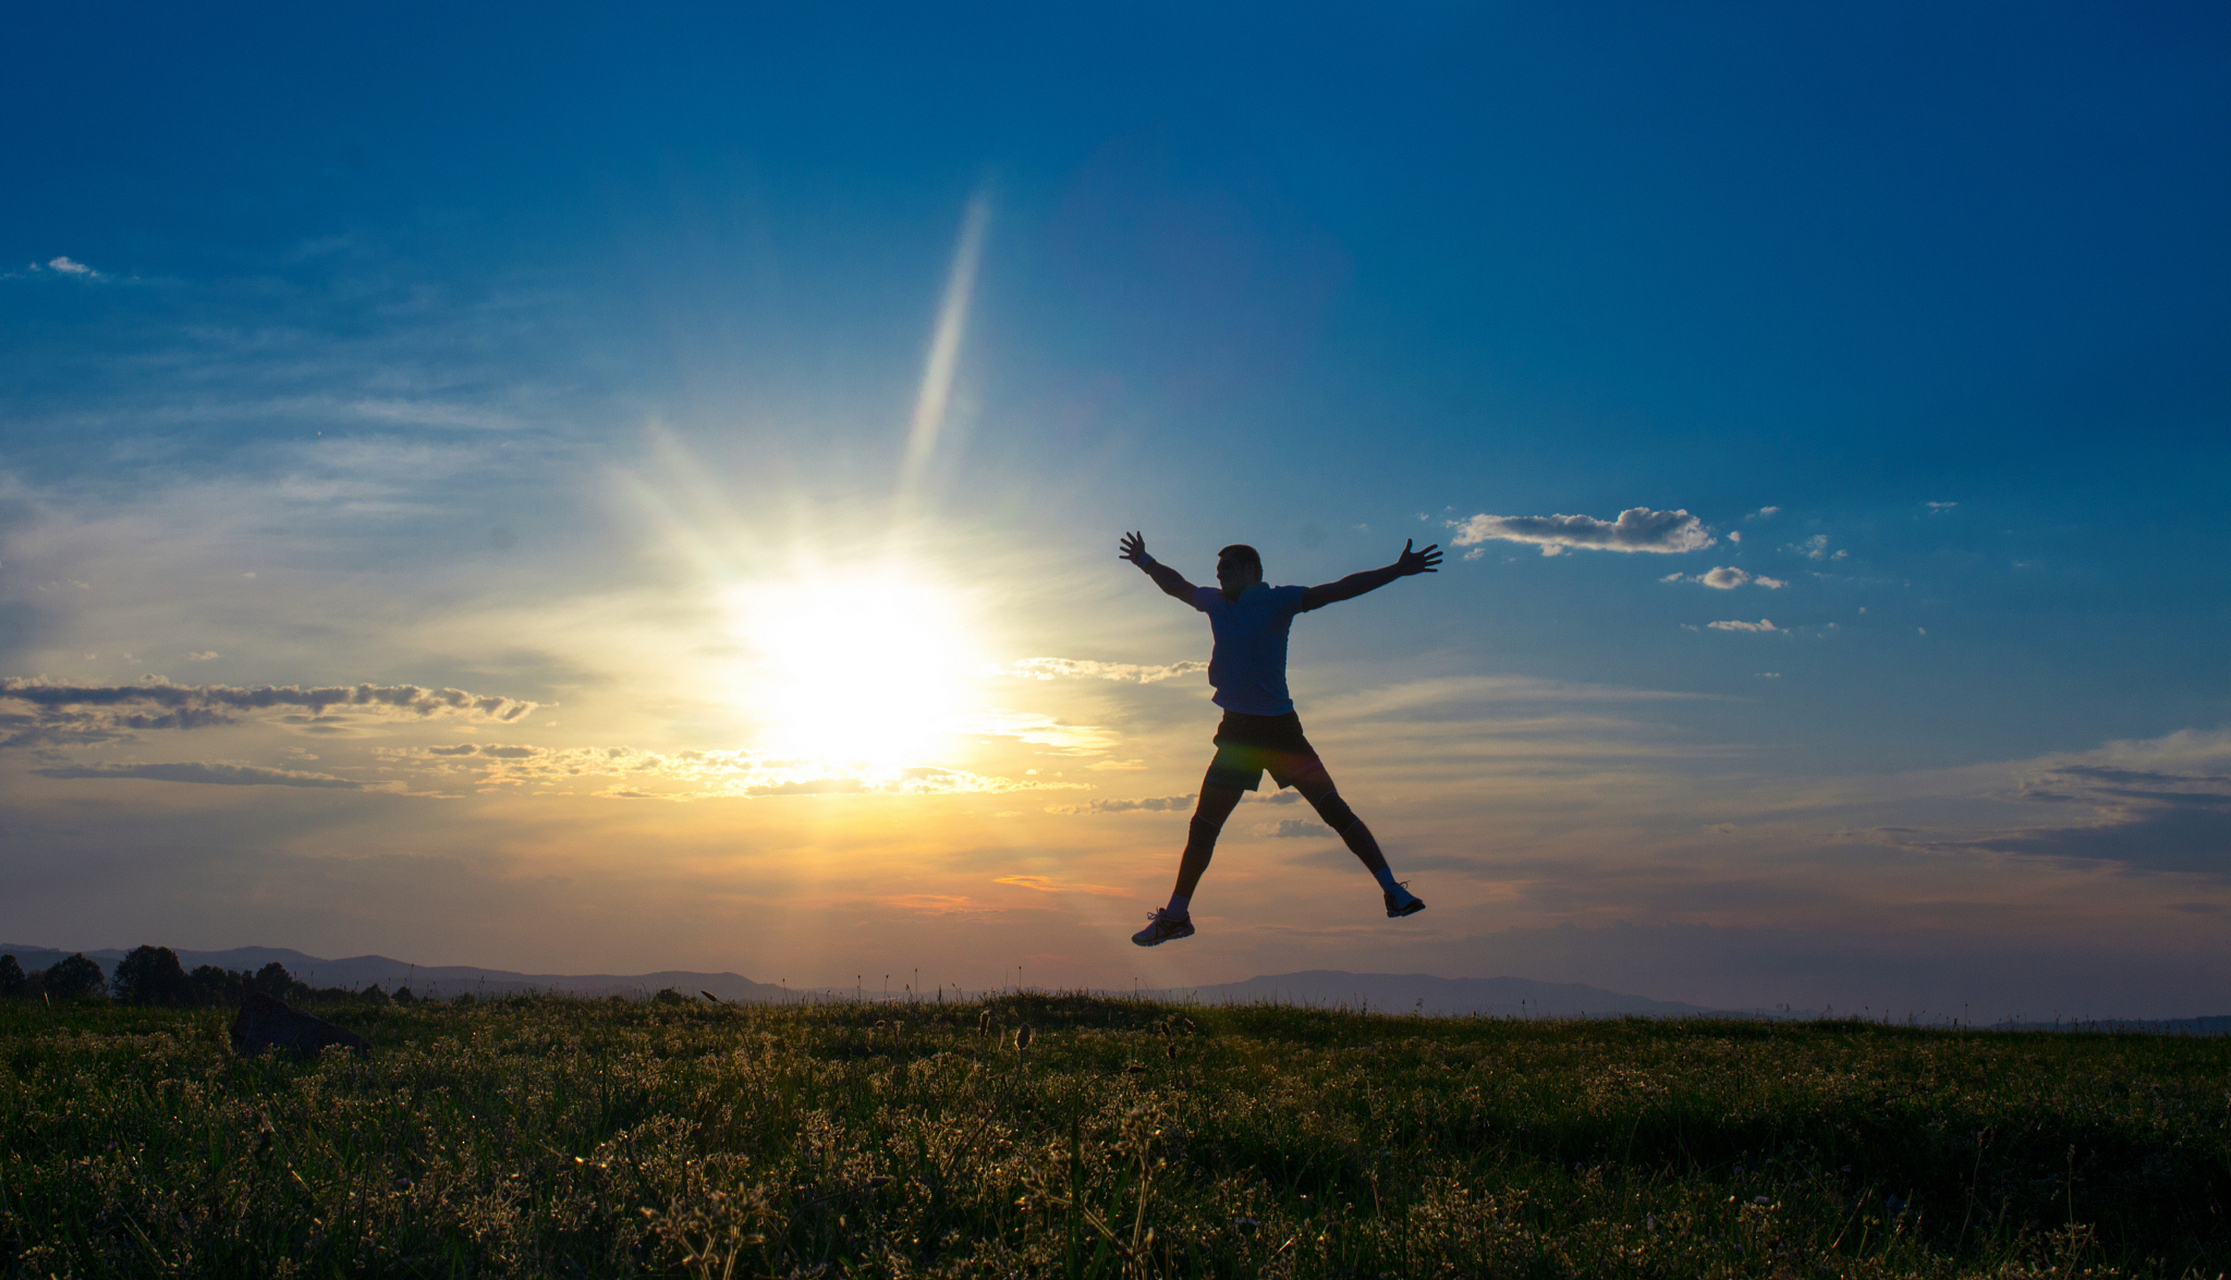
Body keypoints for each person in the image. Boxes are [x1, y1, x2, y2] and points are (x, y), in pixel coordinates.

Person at [1117, 531, 1442, 946]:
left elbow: (1340, 589)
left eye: (1228, 567)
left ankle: (1393, 890)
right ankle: (1176, 916)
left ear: (1253, 571)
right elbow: (1176, 585)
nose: (1220, 575)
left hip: (1280, 731)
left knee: (1334, 811)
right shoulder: (1215, 603)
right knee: (1203, 828)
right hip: (1237, 734)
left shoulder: (1278, 601)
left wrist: (1397, 571)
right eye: (1217, 570)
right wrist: (1144, 561)